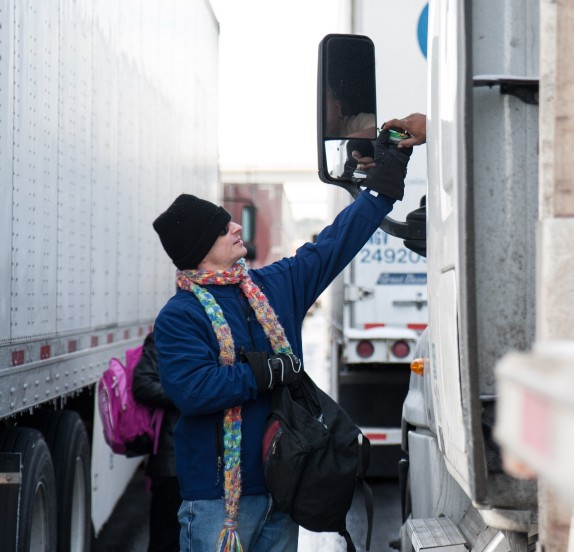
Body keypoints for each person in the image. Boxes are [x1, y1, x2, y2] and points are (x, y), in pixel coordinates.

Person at [151, 132, 411, 552]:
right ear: (200, 250)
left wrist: (387, 177)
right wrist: (264, 371)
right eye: (222, 228)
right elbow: (192, 390)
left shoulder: (273, 287)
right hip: (220, 503)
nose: (236, 225)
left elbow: (333, 245)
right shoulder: (180, 316)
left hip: (284, 488)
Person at [131, 331, 181, 552]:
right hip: (171, 463)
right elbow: (142, 384)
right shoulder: (167, 334)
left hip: (199, 464)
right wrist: (188, 396)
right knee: (166, 541)